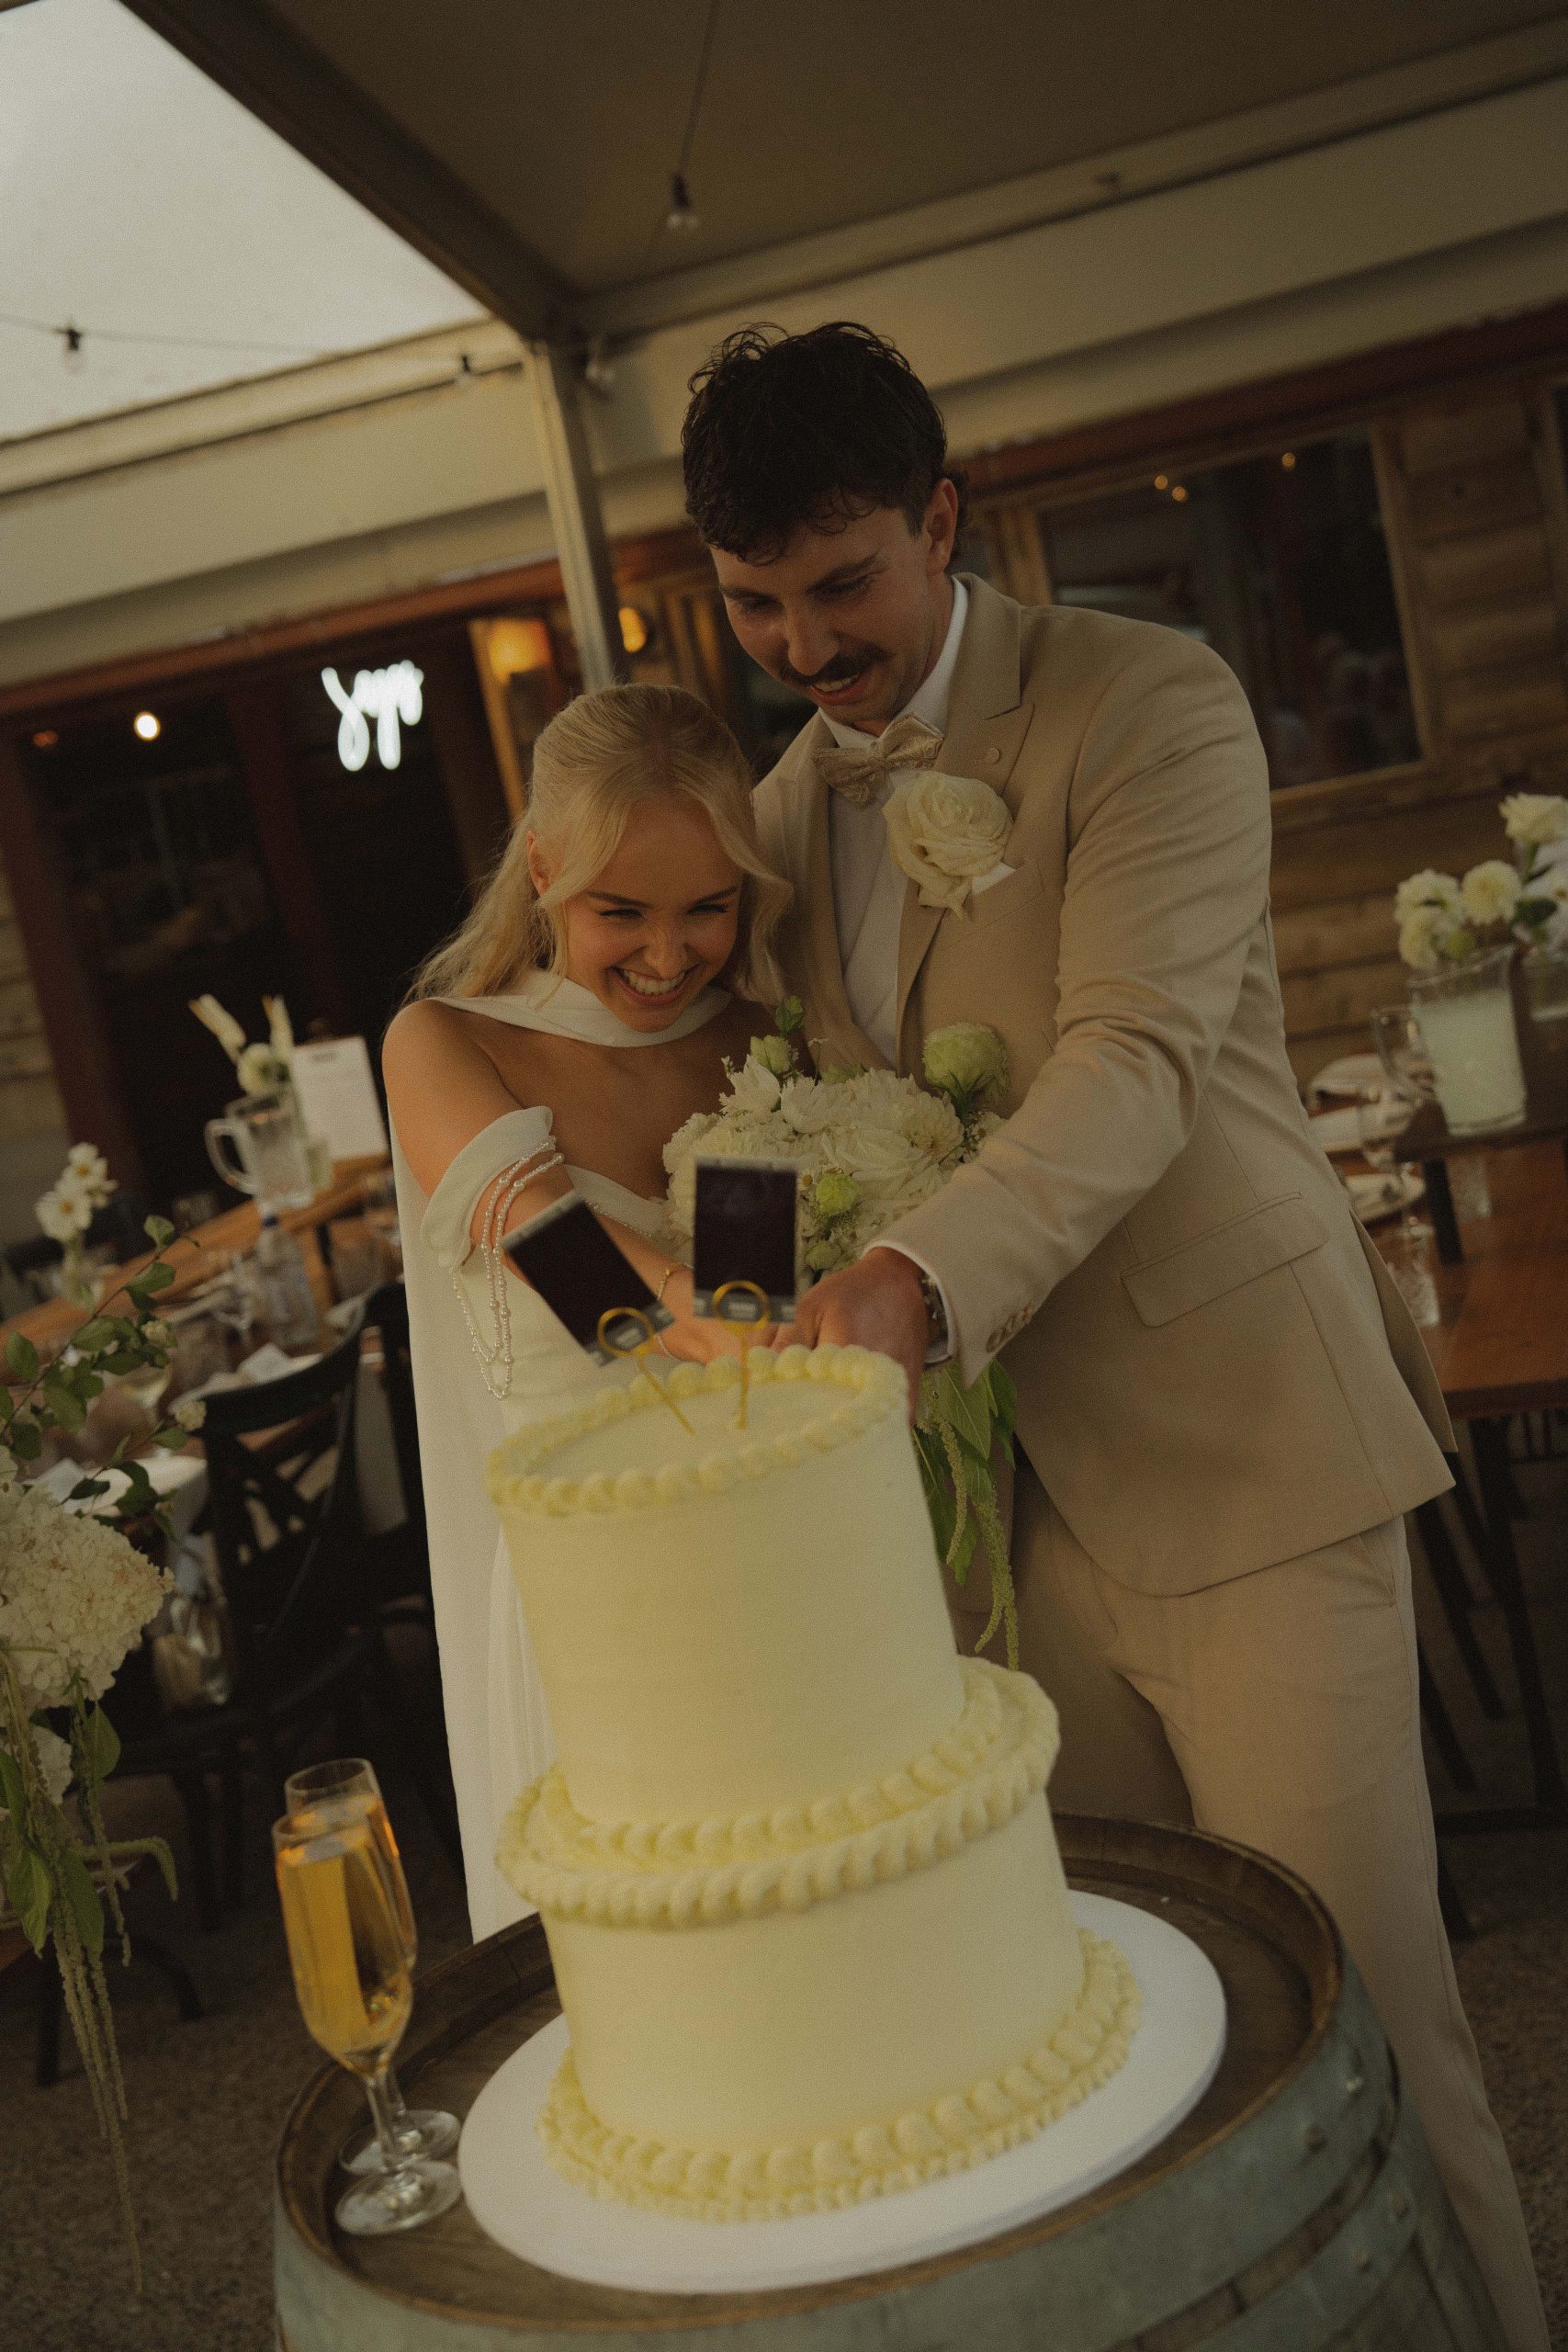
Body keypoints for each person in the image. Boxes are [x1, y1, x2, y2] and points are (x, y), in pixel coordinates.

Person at [681, 321, 1547, 2350]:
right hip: (995, 1535)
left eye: (841, 584)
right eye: (755, 606)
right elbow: (765, 1109)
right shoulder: (776, 813)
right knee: (1144, 2061)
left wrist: (911, 1285)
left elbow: (1136, 1059)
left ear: (942, 522)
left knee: (1357, 2021)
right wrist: (701, 1299)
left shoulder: (1148, 699)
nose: (805, 646)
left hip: (1245, 1456)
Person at [383, 684, 787, 1940]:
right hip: (595, 1596)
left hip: (769, 1560)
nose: (668, 956)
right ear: (545, 869)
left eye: (707, 908)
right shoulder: (443, 1040)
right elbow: (549, 1249)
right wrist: (686, 1303)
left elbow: (753, 1313)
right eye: (623, 912)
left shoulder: (754, 1041)